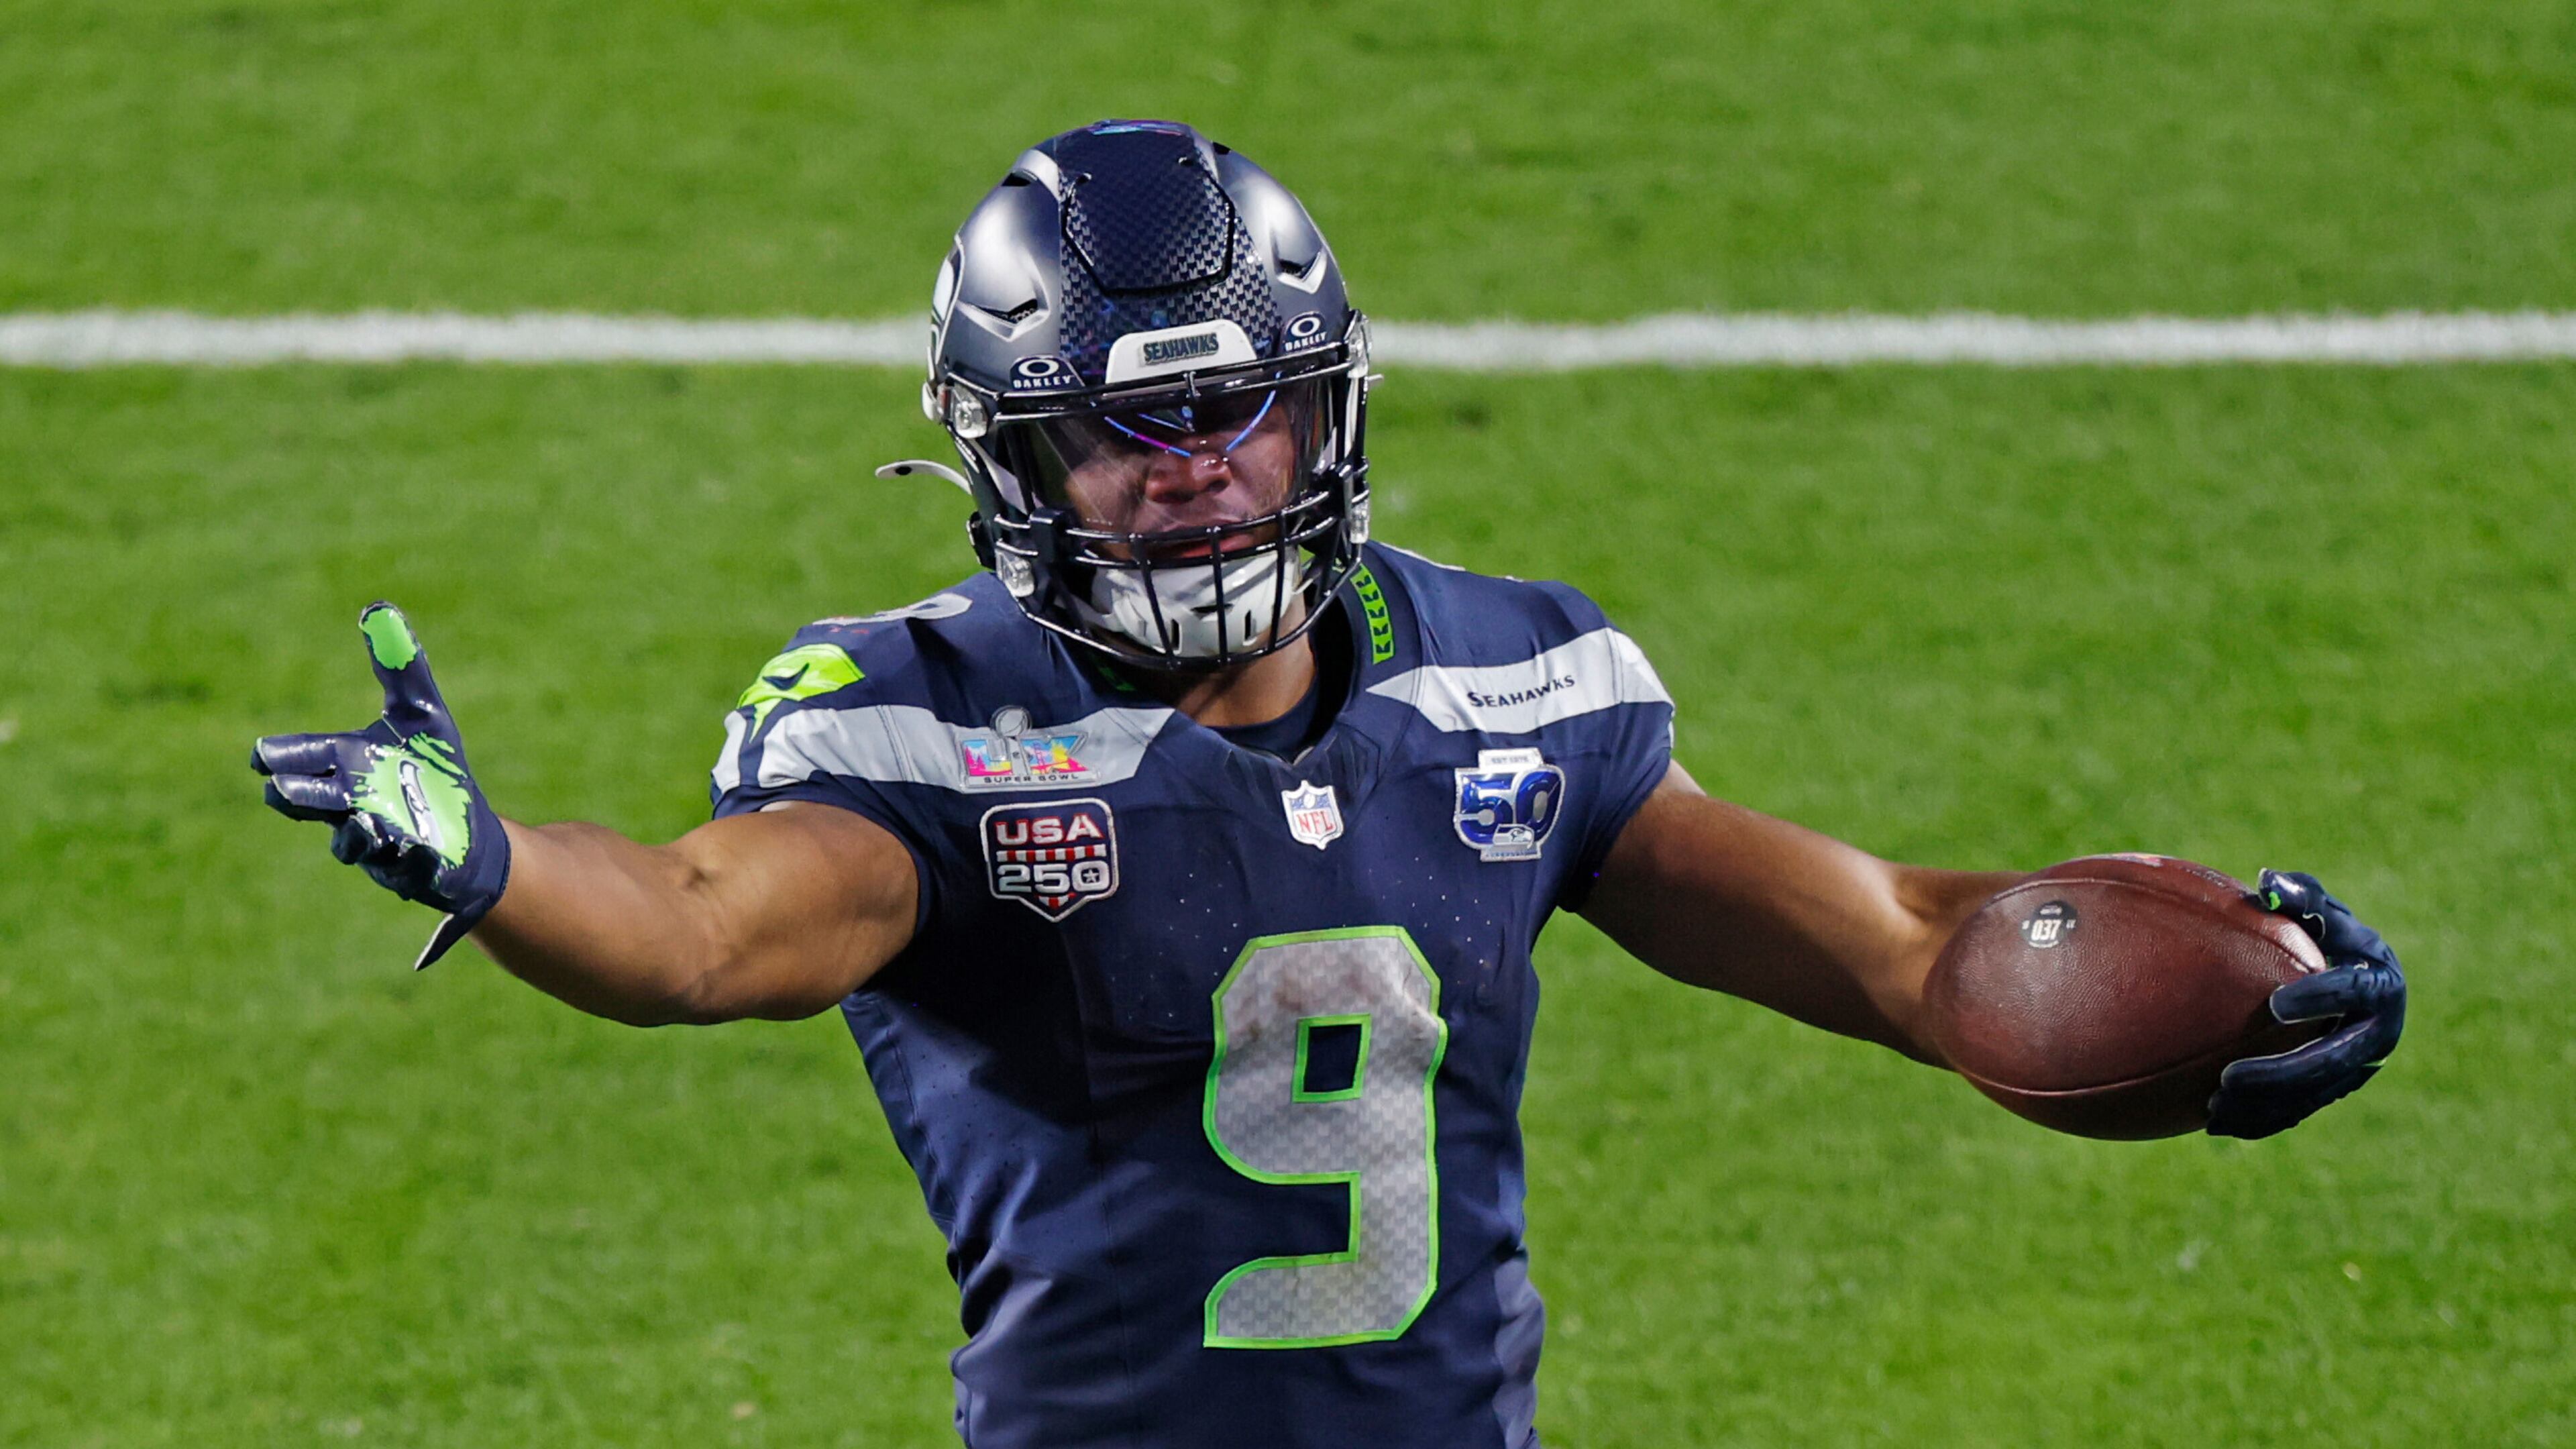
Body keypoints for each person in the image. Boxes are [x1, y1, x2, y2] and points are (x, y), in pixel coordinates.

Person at [252, 119, 2405, 1448]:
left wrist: (2231, 996)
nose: (1194, 483)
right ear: (1020, 464)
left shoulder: (1514, 688)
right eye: (1125, 437)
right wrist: (504, 859)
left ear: (1327, 419)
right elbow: (703, 932)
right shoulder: (927, 728)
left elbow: (1917, 949)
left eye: (1242, 421)